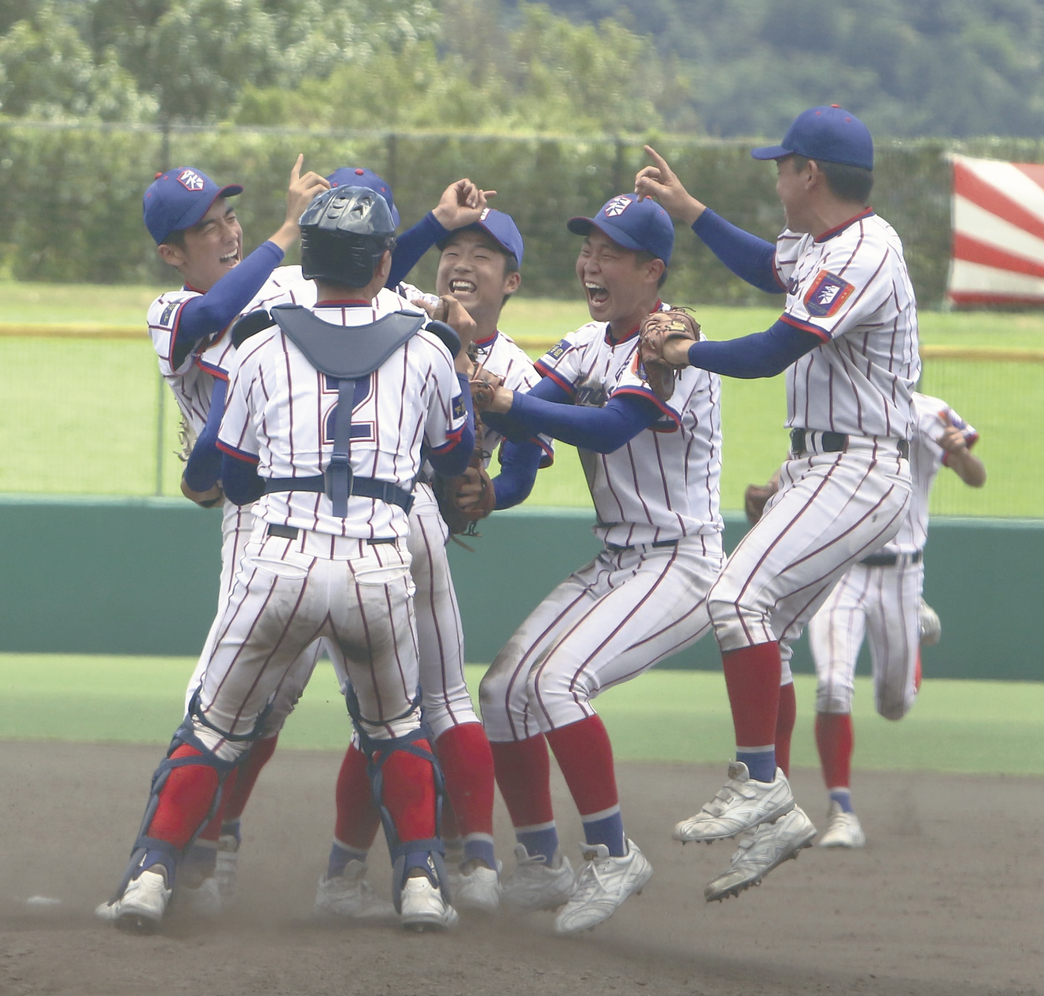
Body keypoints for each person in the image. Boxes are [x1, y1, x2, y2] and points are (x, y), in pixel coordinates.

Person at [96, 184, 476, 934]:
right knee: (396, 729)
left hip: (279, 556)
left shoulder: (260, 343)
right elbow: (456, 454)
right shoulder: (429, 347)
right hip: (378, 562)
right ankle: (422, 886)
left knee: (212, 727)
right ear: (384, 264)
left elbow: (232, 474)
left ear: (309, 260)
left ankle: (148, 878)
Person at [635, 104, 920, 901]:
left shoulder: (867, 249)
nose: (776, 178)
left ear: (810, 174)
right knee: (773, 632)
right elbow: (770, 268)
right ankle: (777, 816)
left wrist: (685, 351)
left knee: (736, 599)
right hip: (824, 464)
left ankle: (760, 780)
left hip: (859, 466)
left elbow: (772, 351)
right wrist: (690, 211)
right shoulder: (822, 242)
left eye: (782, 166)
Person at [474, 194, 726, 934]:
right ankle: (543, 863)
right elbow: (529, 405)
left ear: (652, 270)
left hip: (681, 562)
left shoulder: (673, 345)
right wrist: (469, 372)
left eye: (610, 252)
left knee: (558, 683)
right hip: (618, 558)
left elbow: (611, 427)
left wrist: (507, 403)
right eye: (588, 249)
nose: (591, 263)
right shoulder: (586, 343)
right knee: (503, 690)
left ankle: (613, 855)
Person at [315, 207, 554, 919]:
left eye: (483, 254)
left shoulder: (517, 368)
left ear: (511, 281)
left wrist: (498, 492)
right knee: (420, 705)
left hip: (403, 532)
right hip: (382, 519)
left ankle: (379, 867)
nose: (462, 263)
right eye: (453, 249)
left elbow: (524, 461)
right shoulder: (403, 311)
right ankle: (463, 859)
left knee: (392, 709)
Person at [804, 393, 985, 847]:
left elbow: (976, 478)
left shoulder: (927, 411)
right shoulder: (834, 402)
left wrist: (961, 453)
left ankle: (915, 629)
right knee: (832, 685)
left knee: (894, 706)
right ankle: (841, 810)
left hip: (902, 576)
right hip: (840, 570)